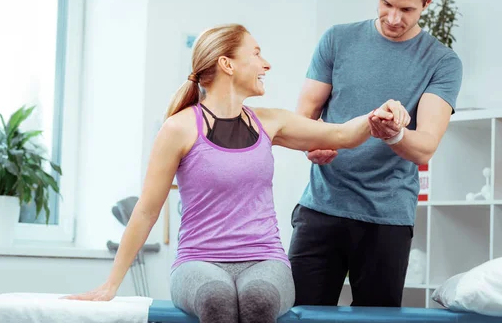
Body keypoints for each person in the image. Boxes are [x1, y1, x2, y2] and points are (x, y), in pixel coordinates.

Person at [64, 23, 408, 322]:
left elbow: (341, 135)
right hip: (198, 261)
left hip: (264, 259)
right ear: (227, 63)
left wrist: (381, 113)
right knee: (216, 298)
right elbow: (147, 210)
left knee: (258, 299)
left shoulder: (270, 121)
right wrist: (111, 285)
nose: (266, 64)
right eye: (256, 54)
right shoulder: (179, 128)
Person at [289, 0, 463, 308]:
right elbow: (302, 119)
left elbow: (426, 146)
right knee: (299, 314)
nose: (394, 17)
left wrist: (395, 134)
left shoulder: (443, 62)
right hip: (322, 207)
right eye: (386, 4)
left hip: (387, 217)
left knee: (377, 319)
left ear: (426, 4)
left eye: (407, 9)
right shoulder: (337, 39)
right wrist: (311, 145)